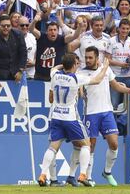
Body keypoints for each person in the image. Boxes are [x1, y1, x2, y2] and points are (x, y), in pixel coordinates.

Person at [67, 46, 130, 187]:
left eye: (90, 57)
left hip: (107, 112)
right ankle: (88, 176)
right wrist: (80, 92)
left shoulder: (106, 70)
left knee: (114, 143)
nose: (87, 60)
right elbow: (80, 89)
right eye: (86, 57)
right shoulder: (81, 72)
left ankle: (107, 171)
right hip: (90, 113)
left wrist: (128, 90)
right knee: (90, 146)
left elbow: (115, 86)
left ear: (97, 58)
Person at [38, 52, 110, 187]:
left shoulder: (54, 75)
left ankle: (42, 174)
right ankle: (83, 175)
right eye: (76, 64)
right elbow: (97, 80)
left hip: (56, 116)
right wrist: (105, 67)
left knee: (53, 146)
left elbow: (54, 69)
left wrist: (64, 63)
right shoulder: (76, 78)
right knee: (86, 144)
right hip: (70, 117)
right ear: (73, 65)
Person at [29, 12, 83, 81]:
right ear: (47, 31)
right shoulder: (41, 36)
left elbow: (74, 36)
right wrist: (34, 21)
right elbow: (31, 29)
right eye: (50, 30)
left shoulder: (62, 39)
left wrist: (80, 26)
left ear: (58, 31)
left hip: (57, 75)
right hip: (40, 75)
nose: (53, 32)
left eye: (55, 30)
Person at [0, 14, 27, 94]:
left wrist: (21, 70)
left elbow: (23, 53)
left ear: (11, 26)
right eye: (3, 26)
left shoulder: (18, 35)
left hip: (16, 75)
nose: (6, 28)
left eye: (8, 26)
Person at [107, 19, 130, 109]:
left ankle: (125, 123)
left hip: (129, 76)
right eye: (123, 28)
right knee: (114, 103)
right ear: (118, 29)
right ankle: (114, 123)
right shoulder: (111, 41)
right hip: (115, 76)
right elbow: (107, 60)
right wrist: (121, 64)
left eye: (127, 29)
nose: (125, 31)